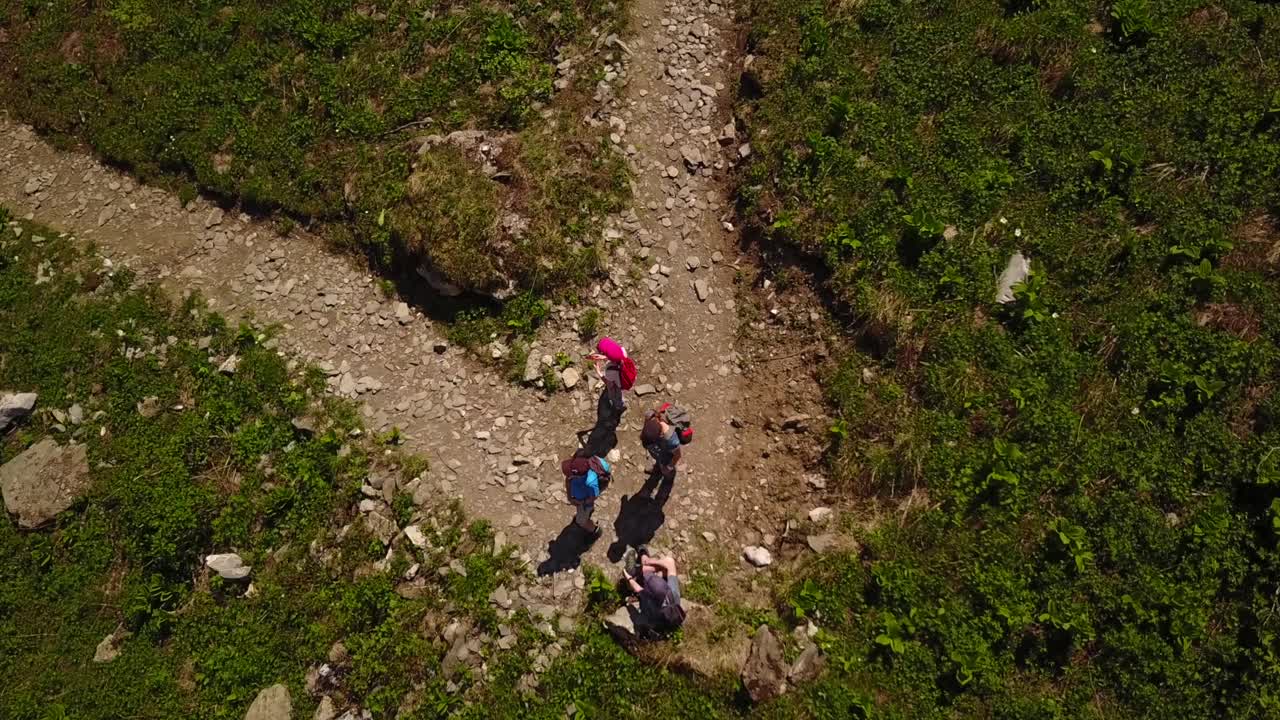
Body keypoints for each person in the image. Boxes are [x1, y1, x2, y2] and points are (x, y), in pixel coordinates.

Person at [621, 550, 685, 630]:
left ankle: (638, 569)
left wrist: (628, 577)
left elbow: (638, 589)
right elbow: (670, 562)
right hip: (652, 586)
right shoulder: (673, 594)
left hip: (646, 591)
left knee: (642, 577)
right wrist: (650, 561)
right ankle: (640, 563)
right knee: (663, 568)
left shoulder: (652, 605)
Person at [562, 453, 611, 542]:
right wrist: (570, 497)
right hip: (580, 495)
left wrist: (583, 502)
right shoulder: (578, 465)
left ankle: (595, 531)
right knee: (582, 514)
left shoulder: (591, 482)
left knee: (581, 521)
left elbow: (593, 496)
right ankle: (587, 514)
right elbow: (568, 479)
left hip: (584, 502)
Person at [641, 408, 683, 480]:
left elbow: (677, 455)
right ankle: (658, 467)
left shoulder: (671, 440)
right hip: (660, 453)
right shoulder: (650, 419)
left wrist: (668, 467)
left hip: (668, 457)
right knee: (660, 462)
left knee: (667, 471)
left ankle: (668, 477)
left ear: (660, 435)